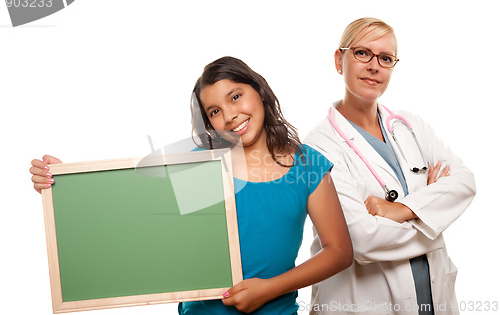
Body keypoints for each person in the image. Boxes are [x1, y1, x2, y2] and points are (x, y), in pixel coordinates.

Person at [30, 56, 353, 314]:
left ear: (260, 91)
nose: (229, 115)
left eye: (236, 97)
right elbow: (128, 217)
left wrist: (269, 288)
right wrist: (66, 185)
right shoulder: (197, 164)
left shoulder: (307, 164)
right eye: (215, 111)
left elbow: (339, 251)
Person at [305, 18, 476, 315]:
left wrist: (404, 210)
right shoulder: (318, 148)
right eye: (362, 53)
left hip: (434, 299)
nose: (374, 66)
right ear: (338, 59)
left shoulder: (410, 126)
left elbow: (464, 182)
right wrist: (436, 217)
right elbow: (363, 240)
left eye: (385, 58)